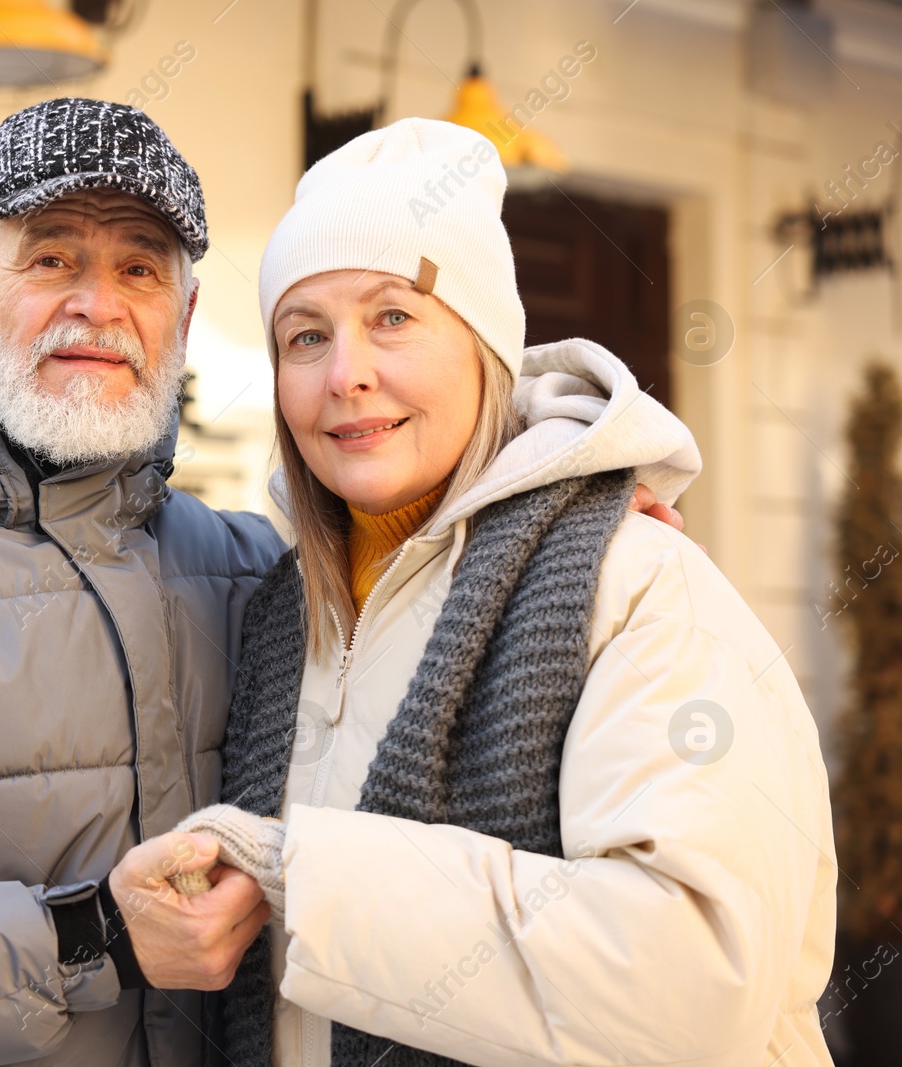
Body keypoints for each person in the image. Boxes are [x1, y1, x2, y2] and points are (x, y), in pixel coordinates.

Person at [0, 99, 686, 1067]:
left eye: (140, 269)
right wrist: (80, 936)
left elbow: (416, 587)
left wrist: (549, 517)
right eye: (50, 259)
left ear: (181, 321)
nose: (96, 305)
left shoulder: (254, 577)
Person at [144, 118, 836, 1067]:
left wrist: (303, 876)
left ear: (485, 349)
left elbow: (691, 984)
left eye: (394, 316)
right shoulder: (282, 618)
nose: (346, 372)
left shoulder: (637, 585)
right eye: (306, 336)